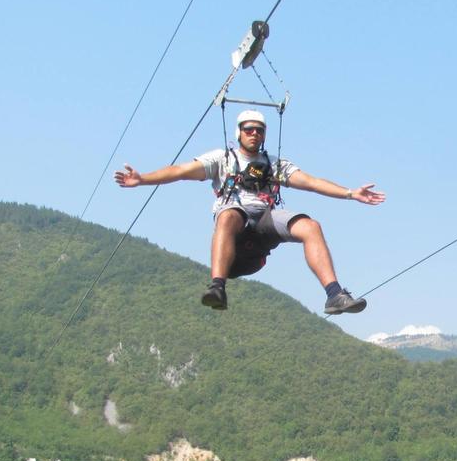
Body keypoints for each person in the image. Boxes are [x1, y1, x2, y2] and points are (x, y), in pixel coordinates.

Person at [114, 109, 384, 314]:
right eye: (249, 129)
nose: (255, 134)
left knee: (310, 226)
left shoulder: (274, 164)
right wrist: (143, 179)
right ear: (239, 133)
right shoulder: (222, 159)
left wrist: (350, 193)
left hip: (264, 222)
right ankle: (217, 287)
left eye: (259, 130)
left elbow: (311, 182)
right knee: (229, 213)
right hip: (235, 224)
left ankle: (334, 295)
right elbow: (180, 171)